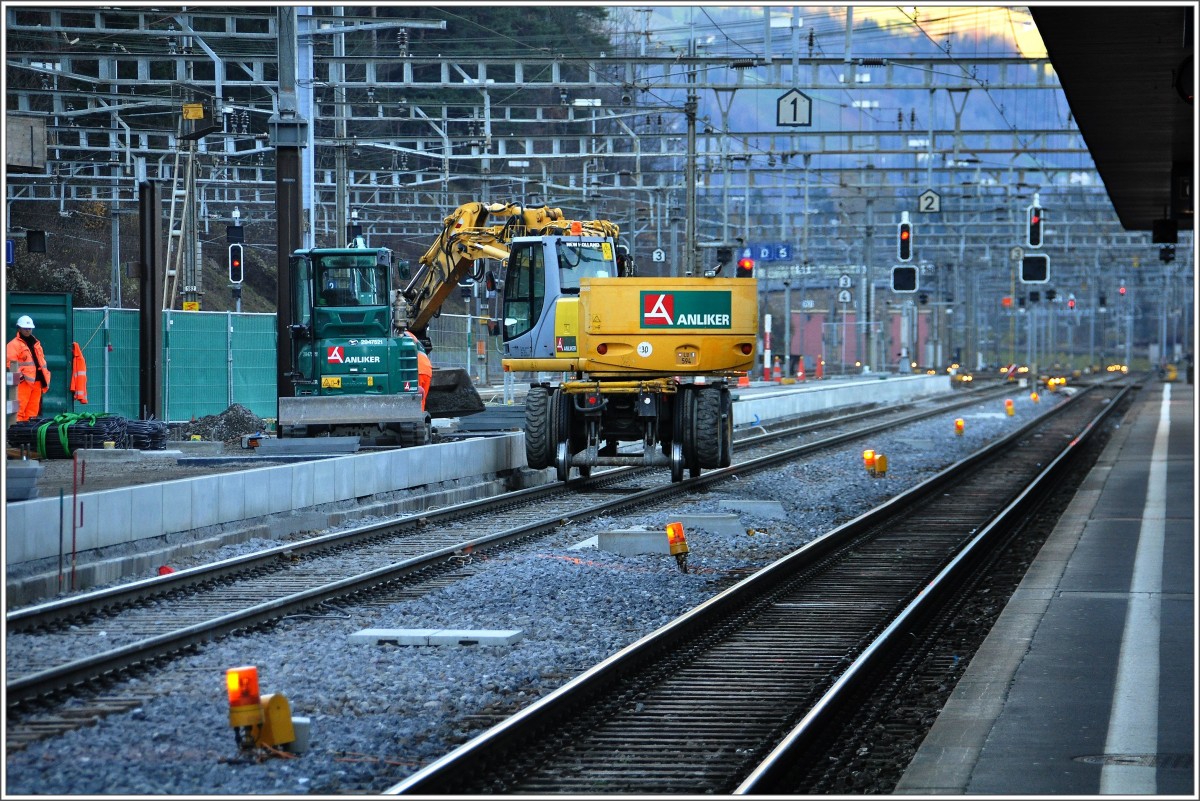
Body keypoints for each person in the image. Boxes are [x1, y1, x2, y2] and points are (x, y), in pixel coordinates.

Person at [7, 315, 51, 422]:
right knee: (19, 411)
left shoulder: (36, 344)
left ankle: (28, 435)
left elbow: (41, 362)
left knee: (32, 413)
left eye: (29, 328)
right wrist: (20, 378)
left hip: (37, 382)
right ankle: (16, 435)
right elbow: (10, 363)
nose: (28, 330)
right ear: (19, 328)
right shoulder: (13, 345)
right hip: (23, 383)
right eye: (25, 328)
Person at [404, 331, 433, 411]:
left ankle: (415, 417)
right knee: (422, 399)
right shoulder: (412, 336)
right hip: (427, 370)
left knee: (414, 399)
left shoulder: (403, 335)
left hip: (417, 370)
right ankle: (420, 417)